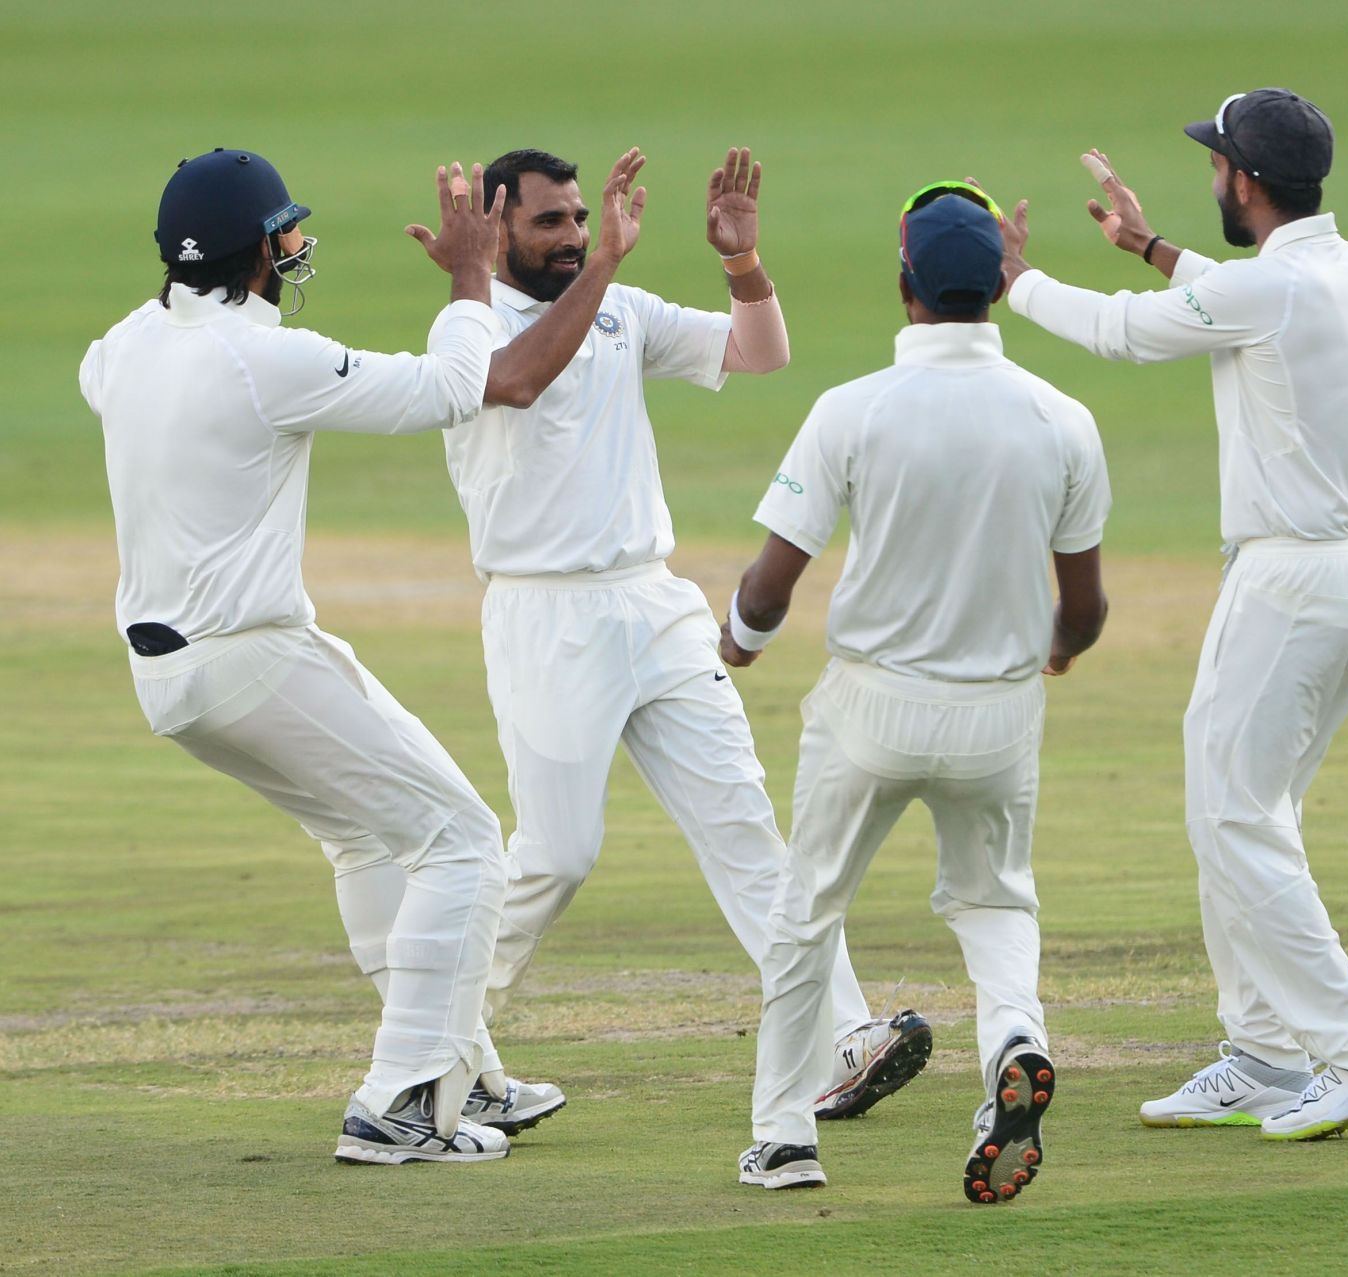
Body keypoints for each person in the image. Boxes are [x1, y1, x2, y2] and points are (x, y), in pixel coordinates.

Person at [438, 147, 929, 1128]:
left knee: (745, 824)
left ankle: (845, 1036)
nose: (574, 237)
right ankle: (437, 1036)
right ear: (495, 228)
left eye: (581, 218)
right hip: (545, 612)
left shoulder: (620, 305)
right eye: (550, 223)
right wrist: (611, 267)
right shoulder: (471, 325)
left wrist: (743, 267)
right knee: (558, 853)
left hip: (651, 600)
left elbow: (760, 354)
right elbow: (519, 382)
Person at [1000, 91, 1348, 1142]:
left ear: (1243, 180)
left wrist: (1018, 283)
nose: (1214, 179)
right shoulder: (1347, 269)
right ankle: (1266, 1052)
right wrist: (1152, 244)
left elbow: (1118, 335)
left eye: (1217, 165)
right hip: (1346, 579)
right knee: (1241, 812)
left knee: (1235, 816)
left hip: (1289, 583)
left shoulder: (1275, 285)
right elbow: (1242, 298)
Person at [79, 149, 514, 1163]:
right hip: (250, 656)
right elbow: (457, 386)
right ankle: (400, 1102)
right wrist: (467, 277)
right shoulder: (265, 358)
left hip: (167, 677)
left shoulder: (121, 348)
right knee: (463, 840)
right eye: (288, 231)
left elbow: (108, 374)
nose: (298, 244)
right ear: (262, 250)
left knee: (369, 839)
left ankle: (469, 1072)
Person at [726, 184, 1109, 1199]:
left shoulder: (852, 408)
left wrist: (739, 639)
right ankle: (1014, 1047)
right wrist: (1059, 648)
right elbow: (1087, 606)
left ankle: (782, 1137)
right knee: (993, 901)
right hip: (998, 712)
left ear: (905, 286)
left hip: (871, 706)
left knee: (807, 909)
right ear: (996, 287)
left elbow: (771, 584)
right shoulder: (1063, 418)